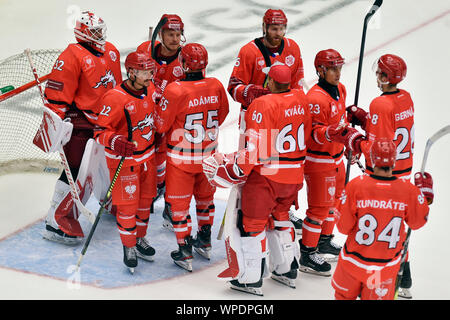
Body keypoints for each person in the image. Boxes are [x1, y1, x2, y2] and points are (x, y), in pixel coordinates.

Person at [203, 63, 312, 296]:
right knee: (281, 218)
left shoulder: (261, 105)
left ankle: (250, 279)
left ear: (270, 82)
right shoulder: (302, 99)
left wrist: (234, 170)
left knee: (250, 224)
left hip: (267, 176)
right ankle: (286, 269)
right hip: (294, 174)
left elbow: (255, 149)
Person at [43, 11, 122, 245]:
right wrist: (57, 124)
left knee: (109, 163)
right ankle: (55, 221)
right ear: (83, 32)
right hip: (81, 122)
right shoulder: (71, 55)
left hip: (106, 121)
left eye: (100, 30)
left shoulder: (112, 51)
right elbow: (57, 95)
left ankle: (109, 201)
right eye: (95, 31)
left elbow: (116, 87)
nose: (100, 35)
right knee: (76, 169)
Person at [154, 43, 229, 272]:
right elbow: (223, 113)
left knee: (179, 206)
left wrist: (156, 104)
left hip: (182, 160)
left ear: (183, 64)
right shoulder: (215, 84)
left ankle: (184, 250)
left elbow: (160, 125)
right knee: (205, 201)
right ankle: (204, 241)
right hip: (209, 157)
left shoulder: (175, 90)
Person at [346, 54, 416, 298]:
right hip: (404, 173)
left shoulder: (380, 104)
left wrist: (354, 140)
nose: (377, 76)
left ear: (387, 77)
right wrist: (366, 119)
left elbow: (377, 148)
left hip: (383, 174)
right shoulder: (405, 98)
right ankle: (404, 276)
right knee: (396, 227)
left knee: (374, 229)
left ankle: (374, 279)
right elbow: (390, 130)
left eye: (380, 73)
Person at [331, 138, 433, 300]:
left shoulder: (356, 186)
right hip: (383, 270)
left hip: (352, 264)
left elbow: (343, 227)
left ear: (372, 157)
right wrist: (424, 196)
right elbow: (417, 222)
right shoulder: (409, 191)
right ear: (394, 159)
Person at [94, 51, 157, 273]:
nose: (150, 75)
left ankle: (140, 239)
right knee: (128, 208)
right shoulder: (115, 97)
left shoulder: (151, 89)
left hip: (148, 158)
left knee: (145, 203)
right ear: (131, 72)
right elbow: (99, 131)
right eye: (144, 71)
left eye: (151, 70)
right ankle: (128, 247)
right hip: (125, 162)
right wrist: (115, 140)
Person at [298, 49, 349, 276]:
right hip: (319, 160)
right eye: (333, 69)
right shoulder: (316, 98)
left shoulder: (341, 89)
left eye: (339, 68)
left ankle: (325, 241)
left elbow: (341, 121)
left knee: (335, 202)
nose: (338, 73)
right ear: (320, 70)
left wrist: (348, 140)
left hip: (337, 157)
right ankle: (307, 253)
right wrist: (332, 132)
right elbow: (314, 134)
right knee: (318, 209)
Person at [137, 14, 186, 221]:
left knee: (172, 165)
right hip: (144, 116)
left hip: (171, 121)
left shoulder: (185, 59)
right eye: (170, 34)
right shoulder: (144, 51)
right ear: (160, 34)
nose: (175, 39)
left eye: (178, 34)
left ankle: (169, 203)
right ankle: (142, 197)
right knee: (142, 160)